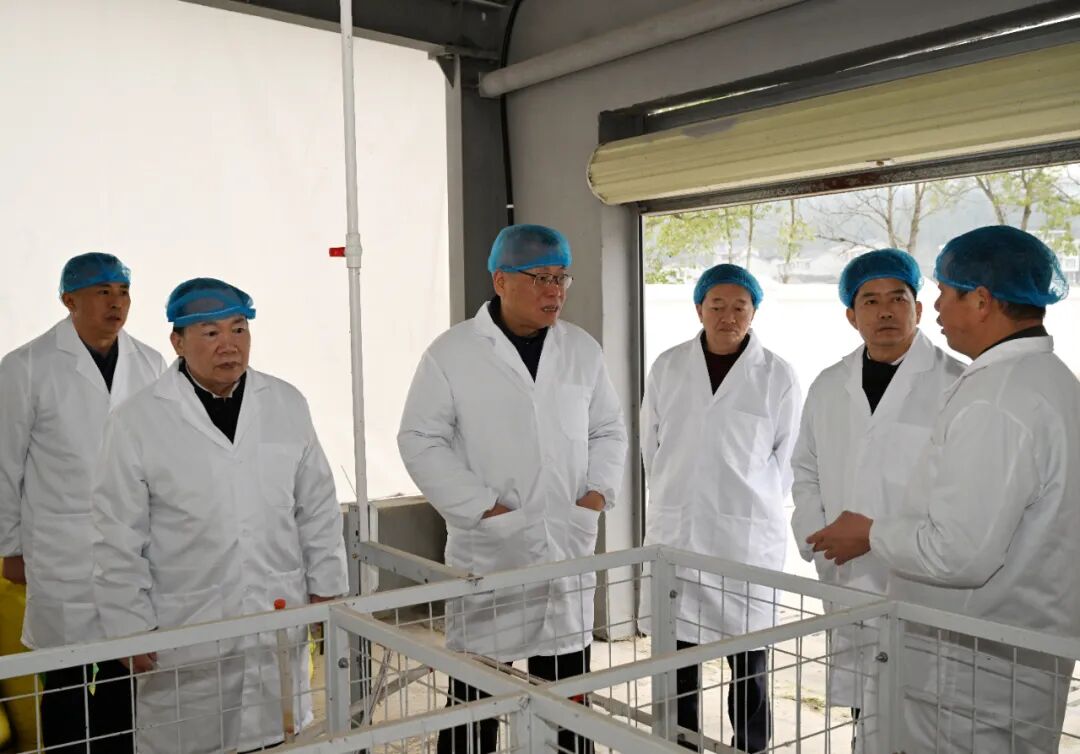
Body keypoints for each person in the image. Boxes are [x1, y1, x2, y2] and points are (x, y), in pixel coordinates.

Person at [808, 226, 1080, 753]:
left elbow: (959, 554)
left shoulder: (995, 401)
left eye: (945, 293)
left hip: (966, 675)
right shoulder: (1048, 380)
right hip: (1007, 660)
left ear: (981, 300)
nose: (935, 307)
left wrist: (870, 534)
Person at [91, 278, 349, 754]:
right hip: (187, 625)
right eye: (210, 333)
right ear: (177, 341)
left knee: (281, 737)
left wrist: (327, 589)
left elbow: (316, 507)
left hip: (275, 614)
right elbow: (117, 534)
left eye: (239, 329)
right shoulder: (136, 420)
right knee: (191, 740)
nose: (229, 345)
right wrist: (129, 626)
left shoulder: (286, 403)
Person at [398, 224, 627, 754]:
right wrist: (485, 509)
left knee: (566, 695)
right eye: (540, 278)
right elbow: (419, 439)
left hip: (565, 541)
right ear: (501, 281)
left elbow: (608, 429)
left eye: (561, 278)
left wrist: (595, 496)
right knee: (476, 694)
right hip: (492, 547)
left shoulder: (581, 349)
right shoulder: (452, 352)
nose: (555, 291)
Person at [790, 249, 964, 732]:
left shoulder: (956, 383)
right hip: (844, 571)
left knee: (920, 716)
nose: (885, 311)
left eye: (897, 298)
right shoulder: (829, 385)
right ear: (852, 315)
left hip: (918, 574)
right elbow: (805, 468)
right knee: (862, 711)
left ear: (918, 309)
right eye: (870, 301)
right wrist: (815, 534)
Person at [0, 253, 166, 753]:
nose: (116, 303)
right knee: (64, 674)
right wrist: (9, 546)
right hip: (60, 546)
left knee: (127, 665)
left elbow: (162, 455)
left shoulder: (151, 362)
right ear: (68, 300)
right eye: (102, 292)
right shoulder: (26, 366)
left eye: (123, 292)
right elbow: (4, 464)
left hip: (132, 544)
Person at [640, 264, 802, 753]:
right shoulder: (668, 366)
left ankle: (751, 748)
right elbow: (652, 447)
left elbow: (788, 459)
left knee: (748, 665)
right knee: (676, 662)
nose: (728, 316)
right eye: (717, 305)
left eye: (739, 307)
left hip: (744, 541)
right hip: (679, 531)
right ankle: (677, 746)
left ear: (754, 313)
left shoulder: (777, 375)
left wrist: (745, 500)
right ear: (699, 309)